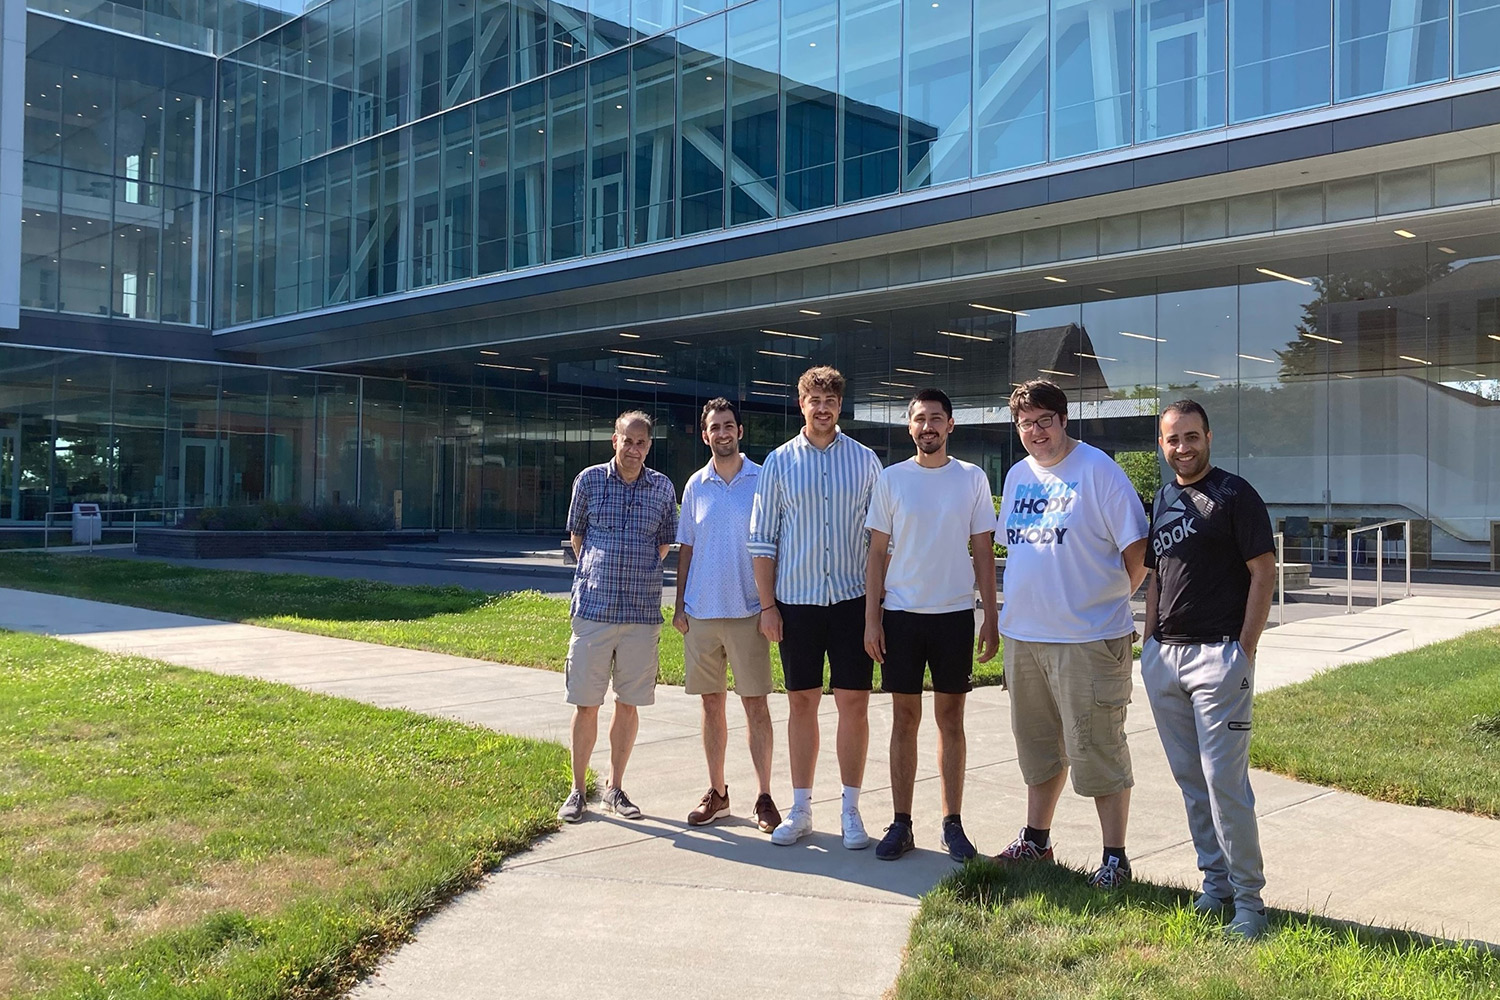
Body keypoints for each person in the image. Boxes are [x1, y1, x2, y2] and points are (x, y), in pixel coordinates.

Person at [994, 379, 1149, 888]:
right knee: (1036, 746)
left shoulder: (1098, 471)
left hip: (1087, 640)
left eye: (1044, 421)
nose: (1035, 432)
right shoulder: (1018, 476)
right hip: (1025, 636)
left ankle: (1114, 859)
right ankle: (1036, 841)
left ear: (1063, 420)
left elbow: (1138, 556)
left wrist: (1098, 605)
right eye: (1025, 424)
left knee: (1097, 747)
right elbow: (1016, 551)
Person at [1142, 399, 1276, 940]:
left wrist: (1245, 648)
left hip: (1219, 657)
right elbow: (1156, 575)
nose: (1183, 447)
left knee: (1225, 782)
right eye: (1173, 439)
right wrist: (1149, 641)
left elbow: (1263, 572)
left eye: (1192, 436)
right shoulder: (1162, 496)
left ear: (1208, 437)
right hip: (1166, 658)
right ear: (1162, 443)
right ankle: (1214, 886)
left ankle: (1250, 903)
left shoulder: (1235, 495)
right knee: (1191, 782)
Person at [748, 365, 883, 848]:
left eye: (829, 400)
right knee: (801, 703)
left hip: (851, 602)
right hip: (796, 604)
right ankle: (801, 808)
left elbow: (878, 541)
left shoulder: (866, 461)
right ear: (800, 404)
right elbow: (762, 541)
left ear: (839, 405)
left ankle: (851, 811)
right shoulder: (779, 463)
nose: (822, 408)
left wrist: (875, 610)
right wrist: (768, 607)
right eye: (813, 400)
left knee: (853, 704)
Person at [863, 388, 999, 862]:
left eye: (936, 418)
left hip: (955, 615)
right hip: (901, 616)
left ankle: (952, 823)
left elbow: (984, 550)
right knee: (904, 719)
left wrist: (990, 616)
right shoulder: (892, 479)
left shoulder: (972, 478)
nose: (928, 427)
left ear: (951, 425)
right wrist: (872, 619)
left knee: (951, 722)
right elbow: (876, 553)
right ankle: (901, 824)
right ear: (910, 427)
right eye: (920, 419)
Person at [557, 410, 678, 824]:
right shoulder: (589, 480)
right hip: (594, 610)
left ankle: (615, 788)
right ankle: (577, 791)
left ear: (649, 445)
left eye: (642, 442)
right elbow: (577, 538)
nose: (634, 449)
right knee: (586, 703)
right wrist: (602, 572)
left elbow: (664, 544)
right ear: (615, 440)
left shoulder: (662, 487)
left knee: (629, 703)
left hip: (641, 614)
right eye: (628, 440)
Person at [673, 398, 782, 833]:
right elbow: (687, 549)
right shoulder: (695, 485)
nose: (722, 433)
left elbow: (775, 544)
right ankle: (717, 794)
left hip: (748, 612)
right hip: (702, 613)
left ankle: (765, 797)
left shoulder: (762, 479)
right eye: (714, 427)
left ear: (740, 431)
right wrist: (680, 606)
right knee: (711, 704)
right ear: (705, 435)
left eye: (729, 426)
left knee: (755, 705)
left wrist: (772, 605)